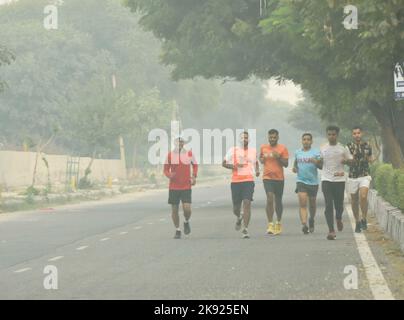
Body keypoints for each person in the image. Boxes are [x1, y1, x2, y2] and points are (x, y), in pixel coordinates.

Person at [223, 131, 260, 239]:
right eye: (242, 138)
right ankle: (239, 217)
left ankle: (245, 229)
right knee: (236, 208)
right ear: (239, 140)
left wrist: (257, 171)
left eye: (246, 138)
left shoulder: (253, 151)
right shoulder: (232, 150)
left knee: (247, 203)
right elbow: (224, 163)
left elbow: (256, 162)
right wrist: (234, 166)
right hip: (236, 182)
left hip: (248, 180)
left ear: (249, 140)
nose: (244, 139)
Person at [320, 125, 353, 240]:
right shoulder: (323, 148)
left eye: (333, 134)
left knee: (339, 205)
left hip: (339, 180)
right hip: (326, 179)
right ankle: (331, 230)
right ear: (327, 135)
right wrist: (316, 162)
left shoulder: (343, 148)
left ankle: (338, 217)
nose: (331, 136)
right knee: (328, 205)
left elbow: (351, 161)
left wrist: (346, 161)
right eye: (329, 134)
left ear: (337, 135)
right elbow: (320, 165)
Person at [164, 135, 198, 239]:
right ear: (174, 143)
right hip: (174, 187)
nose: (180, 143)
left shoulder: (189, 154)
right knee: (174, 209)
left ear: (184, 143)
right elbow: (165, 169)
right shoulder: (170, 155)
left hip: (186, 186)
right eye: (178, 141)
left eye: (182, 142)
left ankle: (186, 221)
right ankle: (177, 229)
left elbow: (195, 165)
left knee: (187, 209)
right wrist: (170, 175)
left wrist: (194, 176)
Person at [260, 129, 289, 235]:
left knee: (278, 200)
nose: (272, 139)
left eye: (274, 137)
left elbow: (286, 164)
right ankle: (270, 224)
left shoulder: (282, 148)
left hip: (279, 178)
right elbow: (261, 158)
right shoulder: (263, 147)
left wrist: (279, 157)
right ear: (268, 137)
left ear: (277, 137)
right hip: (267, 177)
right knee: (269, 197)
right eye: (270, 137)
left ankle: (278, 222)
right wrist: (261, 160)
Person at [292, 133, 322, 234]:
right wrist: (295, 168)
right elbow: (295, 163)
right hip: (301, 181)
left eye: (308, 139)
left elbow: (321, 166)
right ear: (301, 141)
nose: (306, 141)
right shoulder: (298, 152)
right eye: (304, 139)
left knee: (312, 204)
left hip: (313, 182)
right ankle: (304, 224)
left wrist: (316, 162)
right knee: (303, 203)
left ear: (311, 141)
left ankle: (311, 219)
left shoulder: (316, 152)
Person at [346, 126, 374, 233]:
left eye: (358, 133)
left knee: (363, 196)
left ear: (361, 134)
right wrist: (351, 158)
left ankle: (364, 218)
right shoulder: (349, 146)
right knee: (354, 200)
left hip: (364, 175)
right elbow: (347, 161)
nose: (357, 135)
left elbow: (370, 159)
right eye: (354, 133)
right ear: (352, 135)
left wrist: (370, 159)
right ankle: (357, 221)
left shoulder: (367, 146)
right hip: (353, 176)